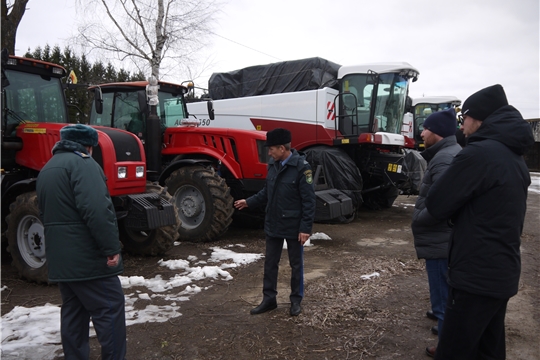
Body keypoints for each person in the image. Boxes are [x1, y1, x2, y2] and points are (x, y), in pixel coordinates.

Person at [419, 85, 534, 359]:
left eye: (464, 118)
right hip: (501, 271)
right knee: (488, 349)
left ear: (478, 119)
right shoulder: (513, 155)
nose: (462, 125)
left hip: (475, 275)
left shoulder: (479, 154)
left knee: (454, 350)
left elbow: (437, 204)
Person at [36, 124, 127, 360]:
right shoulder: (84, 164)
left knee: (74, 314)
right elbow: (98, 210)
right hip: (88, 259)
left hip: (63, 260)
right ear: (89, 145)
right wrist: (110, 248)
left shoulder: (48, 168)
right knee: (110, 309)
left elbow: (45, 213)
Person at [234, 128, 316, 316]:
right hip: (273, 223)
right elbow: (267, 192)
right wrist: (249, 202)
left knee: (296, 265)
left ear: (282, 148)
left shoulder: (302, 168)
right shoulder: (273, 165)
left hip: (294, 226)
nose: (269, 153)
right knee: (270, 263)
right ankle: (269, 299)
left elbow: (309, 201)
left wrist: (305, 228)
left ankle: (296, 300)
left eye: (271, 149)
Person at [411, 108, 462, 357]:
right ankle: (445, 329)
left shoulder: (444, 159)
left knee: (442, 294)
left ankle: (445, 346)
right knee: (444, 292)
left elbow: (444, 201)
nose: (422, 132)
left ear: (437, 133)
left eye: (426, 128)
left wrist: (420, 219)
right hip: (443, 237)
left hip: (440, 238)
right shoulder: (448, 153)